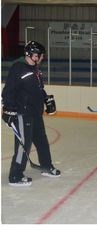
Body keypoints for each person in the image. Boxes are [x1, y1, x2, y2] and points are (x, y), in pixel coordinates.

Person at [1, 41, 61, 186]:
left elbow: (39, 89)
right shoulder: (18, 68)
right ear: (32, 55)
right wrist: (8, 109)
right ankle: (15, 176)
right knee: (24, 145)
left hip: (35, 113)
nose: (41, 58)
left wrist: (46, 99)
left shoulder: (36, 70)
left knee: (42, 141)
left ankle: (46, 166)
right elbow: (8, 91)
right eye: (39, 55)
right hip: (22, 113)